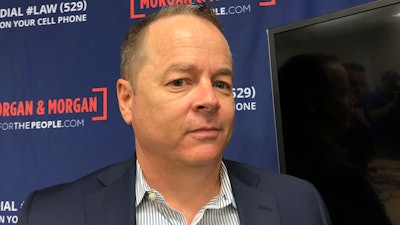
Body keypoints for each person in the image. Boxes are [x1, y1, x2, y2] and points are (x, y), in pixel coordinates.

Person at [17, 4, 331, 225]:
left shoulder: (299, 205)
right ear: (127, 100)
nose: (209, 100)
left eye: (221, 83)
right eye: (180, 81)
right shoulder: (50, 214)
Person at [279, 53, 392, 225]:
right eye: (345, 92)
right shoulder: (339, 175)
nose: (353, 101)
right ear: (311, 102)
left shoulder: (282, 155)